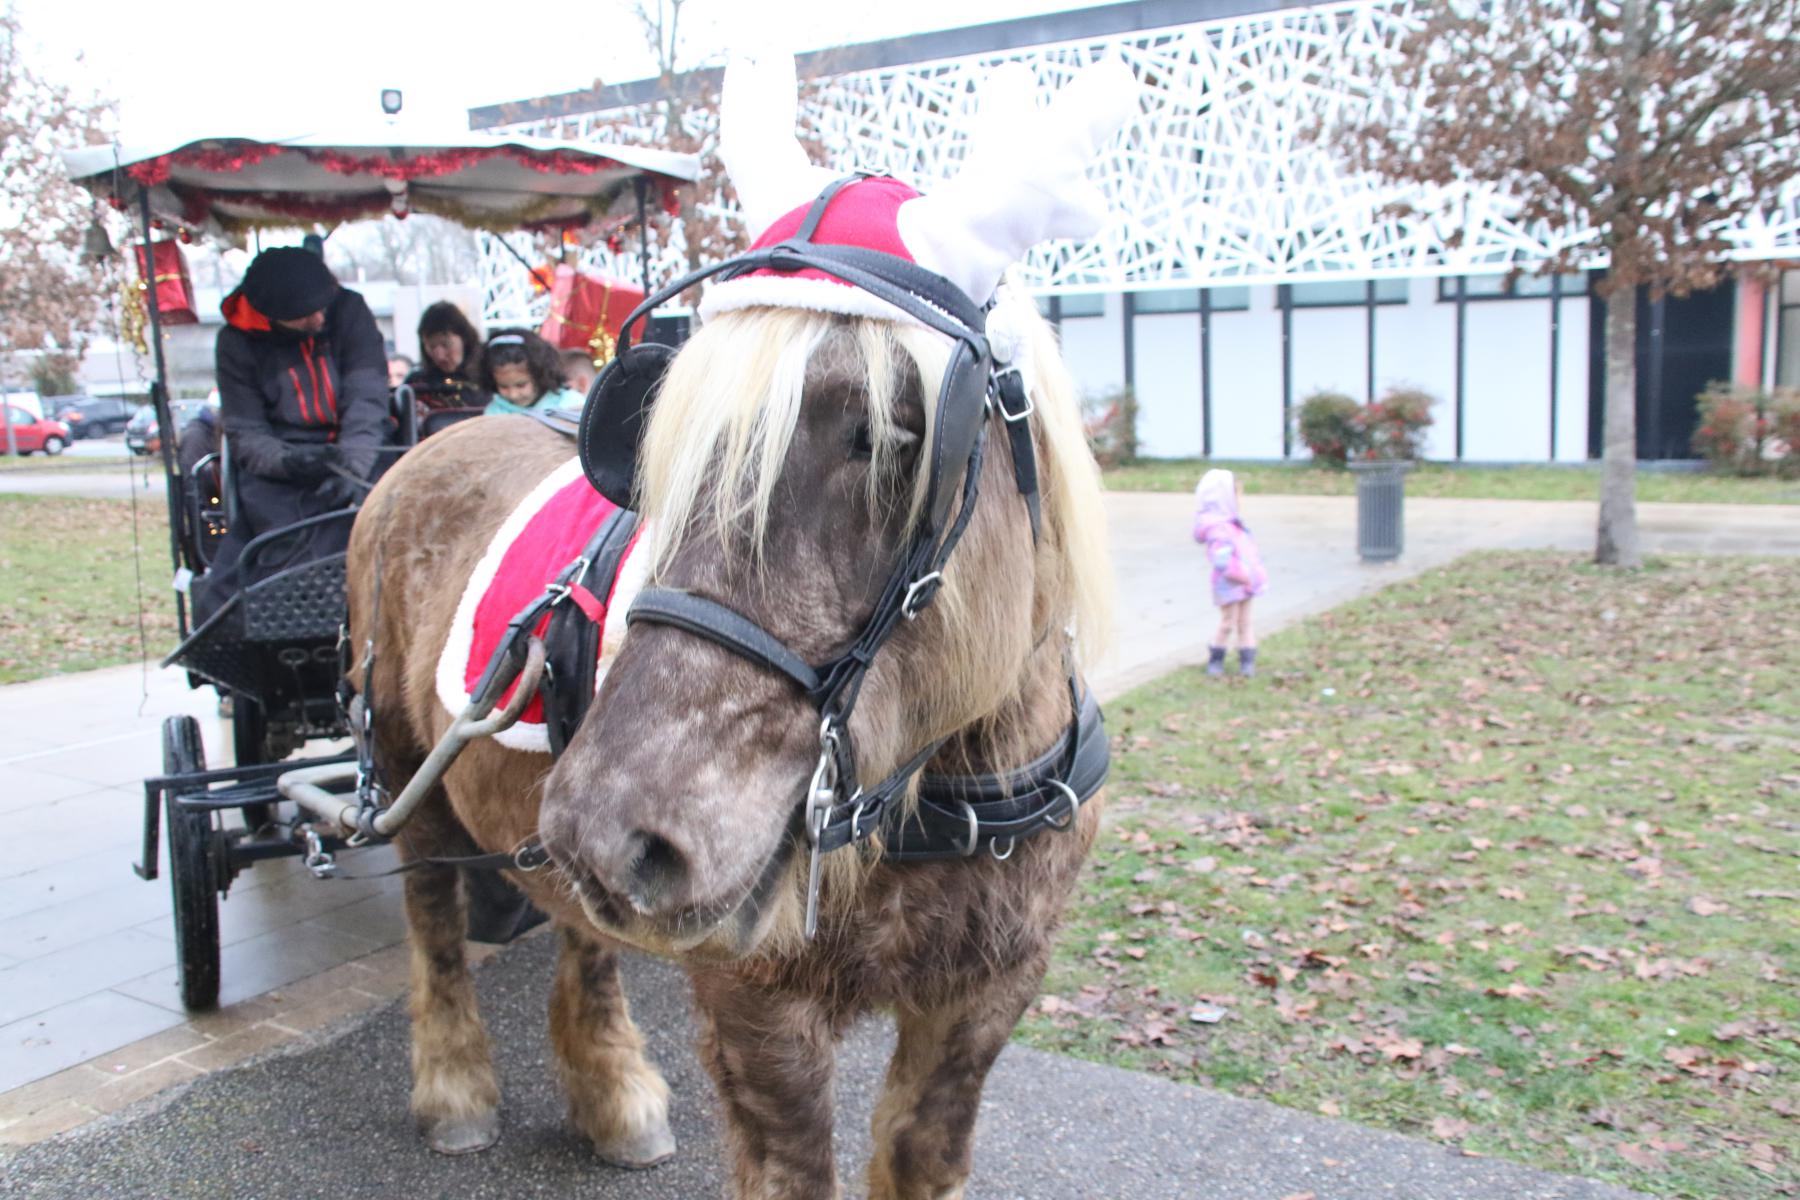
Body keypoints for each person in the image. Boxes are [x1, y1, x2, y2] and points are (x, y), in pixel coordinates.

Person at [198, 246, 388, 611]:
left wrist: (353, 466)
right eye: (303, 316)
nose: (318, 319)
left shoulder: (349, 312)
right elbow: (245, 431)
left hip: (361, 446)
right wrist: (290, 462)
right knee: (271, 545)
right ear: (272, 317)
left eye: (322, 308)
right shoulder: (236, 343)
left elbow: (366, 396)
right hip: (281, 465)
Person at [1193, 468, 1268, 677]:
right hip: (1229, 584)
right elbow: (1221, 561)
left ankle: (1247, 661)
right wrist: (1241, 576)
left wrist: (1254, 575)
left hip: (1245, 583)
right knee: (1228, 621)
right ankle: (1216, 659)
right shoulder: (1219, 529)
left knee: (1245, 621)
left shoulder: (1234, 526)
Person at [405, 301, 488, 410]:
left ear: (464, 339)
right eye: (431, 347)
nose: (440, 356)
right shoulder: (418, 383)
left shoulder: (489, 374)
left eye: (446, 345)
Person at [481, 329, 584, 416]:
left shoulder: (572, 404)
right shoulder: (494, 412)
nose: (513, 395)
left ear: (541, 377)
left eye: (521, 385)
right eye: (503, 386)